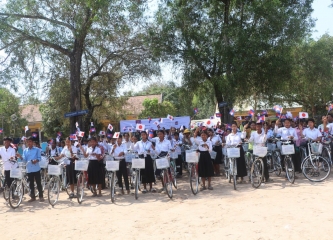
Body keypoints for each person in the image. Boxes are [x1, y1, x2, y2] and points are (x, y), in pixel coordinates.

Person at [16, 136, 44, 202]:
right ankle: (33, 197)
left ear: (32, 142)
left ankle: (41, 196)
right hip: (29, 169)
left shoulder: (37, 149)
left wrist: (36, 160)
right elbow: (24, 160)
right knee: (31, 183)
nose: (29, 143)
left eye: (30, 141)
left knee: (38, 182)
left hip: (36, 168)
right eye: (28, 142)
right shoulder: (25, 150)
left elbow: (39, 158)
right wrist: (20, 157)